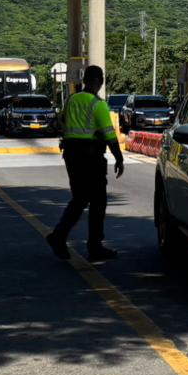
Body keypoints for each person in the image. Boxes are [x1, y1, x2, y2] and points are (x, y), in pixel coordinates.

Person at [46, 65, 125, 262]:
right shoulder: (98, 105)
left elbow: (62, 121)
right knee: (98, 201)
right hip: (90, 157)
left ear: (84, 80)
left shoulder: (72, 99)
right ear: (100, 81)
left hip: (71, 155)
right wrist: (119, 158)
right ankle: (94, 246)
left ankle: (59, 236)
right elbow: (109, 134)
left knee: (79, 199)